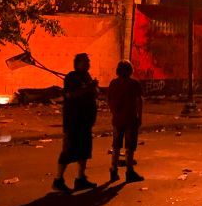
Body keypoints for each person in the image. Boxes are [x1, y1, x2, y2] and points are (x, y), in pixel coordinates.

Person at [54, 53, 99, 193]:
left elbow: (92, 93)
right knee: (68, 150)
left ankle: (81, 178)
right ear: (77, 63)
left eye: (88, 61)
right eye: (85, 61)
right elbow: (70, 95)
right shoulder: (71, 77)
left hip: (86, 121)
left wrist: (93, 88)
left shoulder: (86, 76)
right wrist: (88, 88)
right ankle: (58, 180)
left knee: (84, 151)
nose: (88, 64)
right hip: (74, 121)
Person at [107, 60, 144, 183]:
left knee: (116, 145)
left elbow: (110, 101)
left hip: (117, 119)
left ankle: (113, 170)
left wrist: (114, 112)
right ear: (130, 70)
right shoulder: (134, 84)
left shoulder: (113, 83)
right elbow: (139, 101)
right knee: (130, 146)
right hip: (130, 118)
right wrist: (140, 116)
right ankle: (129, 171)